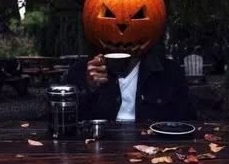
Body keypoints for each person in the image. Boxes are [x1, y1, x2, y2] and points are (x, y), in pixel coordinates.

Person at [67, 45, 197, 121]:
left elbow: (187, 122)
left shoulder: (170, 72)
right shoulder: (81, 71)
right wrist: (90, 88)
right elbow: (67, 126)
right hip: (99, 156)